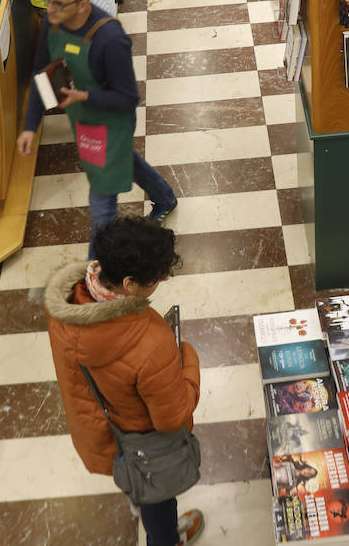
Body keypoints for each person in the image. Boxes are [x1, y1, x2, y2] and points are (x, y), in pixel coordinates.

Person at [46, 217, 204, 546]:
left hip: (100, 428)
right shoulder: (150, 342)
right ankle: (165, 539)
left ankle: (136, 497)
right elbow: (171, 417)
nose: (158, 284)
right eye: (155, 280)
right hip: (145, 444)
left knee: (136, 483)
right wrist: (188, 359)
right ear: (130, 283)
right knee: (158, 502)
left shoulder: (69, 304)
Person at [17, 0, 177, 250]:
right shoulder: (51, 24)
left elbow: (128, 98)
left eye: (58, 3)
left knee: (102, 205)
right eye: (48, 0)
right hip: (82, 118)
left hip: (112, 122)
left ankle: (96, 271)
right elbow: (40, 75)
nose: (50, 9)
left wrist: (86, 97)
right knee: (123, 161)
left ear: (83, 5)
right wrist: (30, 125)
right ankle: (164, 198)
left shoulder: (110, 39)